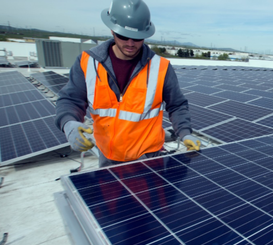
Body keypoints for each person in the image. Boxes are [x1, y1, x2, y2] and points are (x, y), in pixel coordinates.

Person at [55, 0, 200, 167]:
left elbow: (177, 105)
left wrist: (185, 133)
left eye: (137, 38)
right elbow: (70, 100)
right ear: (112, 30)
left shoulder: (161, 68)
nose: (130, 43)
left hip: (149, 158)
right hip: (108, 156)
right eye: (123, 36)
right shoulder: (88, 62)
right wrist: (69, 123)